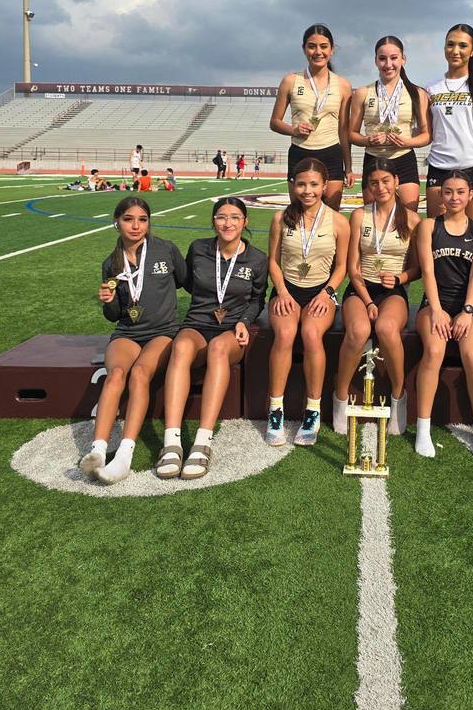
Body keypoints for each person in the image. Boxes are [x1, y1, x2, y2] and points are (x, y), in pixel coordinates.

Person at [156, 197, 268, 480]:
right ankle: (171, 440)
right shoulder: (198, 249)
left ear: (245, 222)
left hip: (230, 331)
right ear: (213, 221)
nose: (227, 223)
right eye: (221, 217)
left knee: (218, 348)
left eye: (234, 217)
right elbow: (190, 285)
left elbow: (257, 299)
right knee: (180, 346)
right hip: (197, 323)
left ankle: (203, 441)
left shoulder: (257, 259)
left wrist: (244, 321)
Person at [79, 197, 187, 484]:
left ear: (149, 222)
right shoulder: (111, 263)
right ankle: (98, 451)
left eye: (142, 219)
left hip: (163, 331)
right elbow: (113, 315)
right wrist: (108, 301)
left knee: (140, 374)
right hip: (128, 331)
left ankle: (125, 454)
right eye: (128, 219)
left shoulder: (166, 250)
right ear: (117, 222)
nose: (136, 225)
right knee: (115, 375)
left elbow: (185, 281)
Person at [265, 158, 350, 447]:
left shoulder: (339, 221)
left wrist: (327, 293)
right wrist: (282, 291)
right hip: (286, 289)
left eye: (314, 184)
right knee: (286, 333)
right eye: (301, 184)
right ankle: (275, 409)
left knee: (312, 334)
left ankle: (312, 410)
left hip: (321, 292)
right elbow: (273, 262)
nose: (307, 190)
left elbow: (342, 268)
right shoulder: (280, 218)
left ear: (325, 186)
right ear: (293, 185)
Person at [333, 157, 421, 435]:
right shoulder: (360, 215)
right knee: (358, 330)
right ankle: (341, 396)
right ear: (368, 187)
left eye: (385, 181)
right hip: (361, 289)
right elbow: (352, 267)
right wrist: (368, 301)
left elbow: (417, 268)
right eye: (374, 183)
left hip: (393, 290)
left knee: (385, 327)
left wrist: (400, 278)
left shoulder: (413, 219)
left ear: (396, 182)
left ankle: (398, 396)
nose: (380, 187)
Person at [413, 171, 473, 458]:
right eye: (448, 192)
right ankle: (423, 428)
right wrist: (436, 310)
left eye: (460, 192)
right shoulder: (428, 227)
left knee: (472, 355)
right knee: (433, 351)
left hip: (470, 307)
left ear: (470, 194)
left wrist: (467, 311)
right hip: (434, 304)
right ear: (440, 195)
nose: (454, 197)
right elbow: (428, 272)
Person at [269, 23, 354, 210]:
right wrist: (294, 129)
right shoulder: (290, 81)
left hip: (331, 153)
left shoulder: (343, 85)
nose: (318, 52)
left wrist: (348, 167)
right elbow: (274, 122)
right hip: (300, 151)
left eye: (323, 46)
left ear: (332, 49)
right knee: (298, 215)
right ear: (304, 48)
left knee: (331, 216)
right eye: (312, 46)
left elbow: (344, 130)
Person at [425, 23, 473, 221]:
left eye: (462, 46)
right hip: (439, 167)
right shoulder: (431, 88)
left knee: (469, 235)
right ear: (444, 48)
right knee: (437, 233)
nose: (455, 51)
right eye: (450, 45)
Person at [349, 35, 430, 210]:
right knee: (373, 218)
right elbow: (352, 134)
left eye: (394, 58)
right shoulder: (363, 93)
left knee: (409, 218)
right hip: (374, 159)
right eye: (382, 58)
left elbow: (426, 135)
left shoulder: (418, 93)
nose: (388, 64)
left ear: (403, 59)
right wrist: (368, 140)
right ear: (376, 61)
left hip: (404, 158)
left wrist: (406, 142)